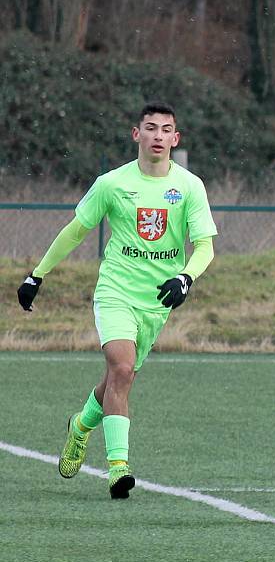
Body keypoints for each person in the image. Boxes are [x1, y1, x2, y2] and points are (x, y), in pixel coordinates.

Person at [17, 101, 217, 499]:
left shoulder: (190, 186)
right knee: (121, 368)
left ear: (175, 139)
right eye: (150, 128)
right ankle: (117, 468)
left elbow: (205, 248)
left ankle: (80, 426)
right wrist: (36, 274)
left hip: (157, 300)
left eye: (165, 130)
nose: (157, 136)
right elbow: (75, 231)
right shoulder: (111, 183)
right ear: (136, 134)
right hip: (116, 292)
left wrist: (185, 277)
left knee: (118, 379)